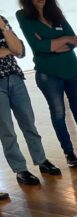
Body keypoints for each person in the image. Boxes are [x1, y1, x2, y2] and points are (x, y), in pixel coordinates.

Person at [16, 0, 77, 168]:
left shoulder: (56, 14)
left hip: (72, 69)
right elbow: (37, 46)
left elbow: (74, 41)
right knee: (58, 113)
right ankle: (69, 152)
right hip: (48, 73)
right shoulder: (23, 16)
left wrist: (52, 45)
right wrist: (63, 40)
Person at [0, 15, 60, 185]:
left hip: (15, 78)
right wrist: (7, 50)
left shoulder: (2, 21)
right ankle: (20, 170)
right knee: (7, 130)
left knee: (29, 122)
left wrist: (3, 28)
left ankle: (41, 160)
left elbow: (20, 50)